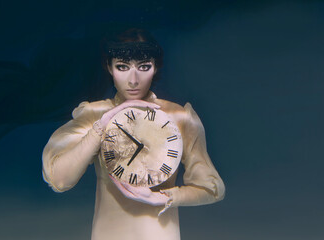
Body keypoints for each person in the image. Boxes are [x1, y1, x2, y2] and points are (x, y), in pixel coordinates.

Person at [42, 28, 225, 240]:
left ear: (155, 67)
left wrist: (165, 197)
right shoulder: (94, 114)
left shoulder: (179, 117)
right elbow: (60, 181)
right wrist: (99, 129)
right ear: (109, 67)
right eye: (122, 67)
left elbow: (212, 188)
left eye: (144, 67)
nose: (133, 80)